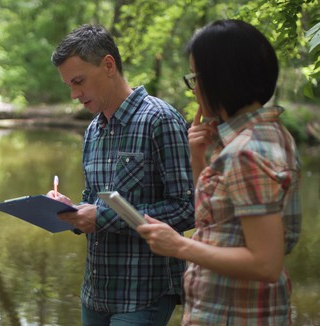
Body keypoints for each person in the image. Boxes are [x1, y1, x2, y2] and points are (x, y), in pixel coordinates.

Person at [137, 19, 302, 325]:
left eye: (196, 77)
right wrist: (198, 155)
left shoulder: (246, 152)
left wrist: (179, 245)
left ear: (221, 78)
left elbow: (266, 263)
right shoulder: (268, 134)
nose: (194, 88)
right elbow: (219, 222)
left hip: (235, 314)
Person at [48, 24, 195, 325]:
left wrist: (101, 218)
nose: (75, 94)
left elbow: (187, 208)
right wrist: (71, 211)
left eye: (79, 81)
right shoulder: (93, 130)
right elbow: (93, 201)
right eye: (69, 86)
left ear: (108, 65)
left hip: (144, 294)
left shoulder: (161, 119)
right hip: (95, 293)